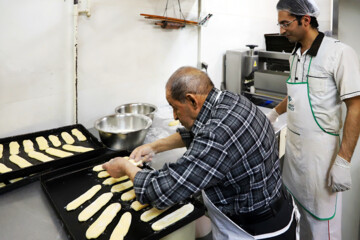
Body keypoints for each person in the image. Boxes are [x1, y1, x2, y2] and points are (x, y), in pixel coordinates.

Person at [103, 66, 299, 239]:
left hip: (254, 230)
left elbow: (160, 191)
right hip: (274, 206)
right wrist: (154, 146)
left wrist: (125, 166)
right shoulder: (229, 100)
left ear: (191, 100)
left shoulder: (218, 135)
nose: (174, 116)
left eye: (175, 108)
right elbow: (195, 132)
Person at [266, 0, 360, 239]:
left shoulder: (339, 53)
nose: (281, 30)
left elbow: (356, 108)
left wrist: (343, 161)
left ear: (305, 20)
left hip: (321, 161)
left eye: (286, 24)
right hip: (296, 160)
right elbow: (296, 93)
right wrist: (274, 114)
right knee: (301, 222)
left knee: (322, 229)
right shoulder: (296, 55)